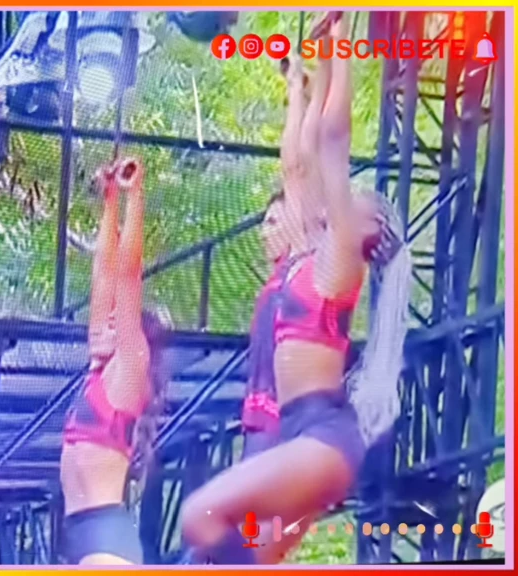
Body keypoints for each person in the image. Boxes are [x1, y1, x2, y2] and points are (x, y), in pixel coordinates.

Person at [177, 15, 412, 565]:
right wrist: (313, 69)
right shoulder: (308, 255)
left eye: (365, 204)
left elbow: (333, 142)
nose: (354, 197)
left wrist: (341, 50)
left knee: (199, 517)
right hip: (293, 433)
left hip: (322, 436)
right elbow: (299, 163)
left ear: (369, 233)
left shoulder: (339, 264)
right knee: (231, 554)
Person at [59, 157, 171, 565]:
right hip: (79, 532)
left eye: (113, 320)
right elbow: (103, 275)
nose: (102, 320)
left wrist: (134, 196)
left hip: (105, 536)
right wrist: (108, 199)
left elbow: (126, 277)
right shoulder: (99, 368)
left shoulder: (129, 368)